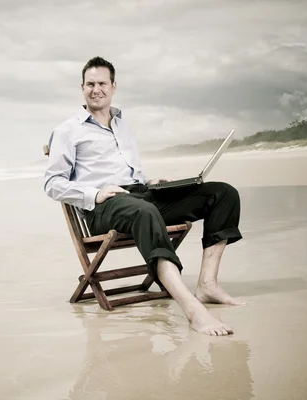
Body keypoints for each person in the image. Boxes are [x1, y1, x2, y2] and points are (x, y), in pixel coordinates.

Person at [44, 56, 245, 336]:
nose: (96, 89)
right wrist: (96, 193)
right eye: (90, 84)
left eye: (102, 83)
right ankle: (192, 310)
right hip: (104, 207)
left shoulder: (122, 125)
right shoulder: (68, 130)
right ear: (82, 88)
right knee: (145, 212)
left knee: (222, 193)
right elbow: (52, 183)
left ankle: (207, 285)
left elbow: (129, 173)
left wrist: (150, 182)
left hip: (141, 196)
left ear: (114, 87)